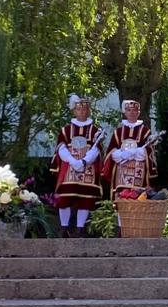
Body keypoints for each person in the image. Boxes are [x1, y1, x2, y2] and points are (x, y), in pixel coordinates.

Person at [52, 98, 106, 237]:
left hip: (88, 168)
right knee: (64, 197)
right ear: (74, 110)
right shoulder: (66, 130)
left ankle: (80, 228)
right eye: (79, 109)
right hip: (69, 168)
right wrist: (71, 160)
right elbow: (61, 147)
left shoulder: (95, 130)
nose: (82, 112)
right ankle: (64, 228)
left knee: (86, 198)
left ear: (88, 111)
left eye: (84, 109)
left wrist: (84, 162)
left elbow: (97, 150)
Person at [106, 99, 158, 193]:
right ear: (125, 112)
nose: (132, 113)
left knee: (137, 198)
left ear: (138, 113)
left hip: (139, 172)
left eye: (134, 110)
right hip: (121, 171)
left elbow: (149, 152)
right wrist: (120, 155)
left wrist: (134, 152)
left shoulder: (145, 131)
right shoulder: (118, 132)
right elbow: (111, 151)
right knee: (121, 197)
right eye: (129, 110)